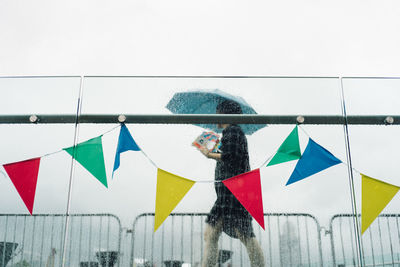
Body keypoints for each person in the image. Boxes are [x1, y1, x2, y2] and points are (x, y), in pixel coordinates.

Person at [199, 100, 265, 267]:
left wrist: (209, 154)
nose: (215, 117)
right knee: (213, 233)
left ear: (224, 113)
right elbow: (230, 155)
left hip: (233, 191)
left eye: (217, 112)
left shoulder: (233, 131)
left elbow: (231, 157)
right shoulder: (231, 133)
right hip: (230, 191)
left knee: (243, 234)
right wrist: (214, 150)